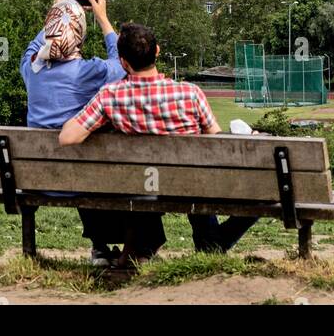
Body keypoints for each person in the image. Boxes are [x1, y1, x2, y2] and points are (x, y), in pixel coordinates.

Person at [59, 23, 260, 265]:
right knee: (200, 181)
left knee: (148, 180)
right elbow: (217, 143)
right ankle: (210, 245)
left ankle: (147, 249)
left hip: (143, 185)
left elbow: (67, 137)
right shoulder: (191, 93)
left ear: (123, 62)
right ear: (157, 51)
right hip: (191, 185)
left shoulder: (110, 96)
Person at [21, 0, 127, 265]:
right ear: (79, 33)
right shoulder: (90, 71)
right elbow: (122, 63)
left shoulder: (32, 70)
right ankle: (103, 248)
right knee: (86, 162)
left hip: (38, 178)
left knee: (76, 164)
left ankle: (101, 247)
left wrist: (55, 13)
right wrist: (103, 18)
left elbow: (33, 49)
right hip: (82, 179)